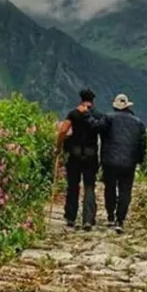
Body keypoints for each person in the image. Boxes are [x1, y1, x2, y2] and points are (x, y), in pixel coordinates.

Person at [56, 88, 103, 230]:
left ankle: (71, 217)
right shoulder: (96, 115)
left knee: (73, 185)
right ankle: (88, 219)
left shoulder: (73, 113)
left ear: (81, 99)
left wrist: (59, 146)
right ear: (93, 101)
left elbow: (63, 130)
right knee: (89, 185)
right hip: (91, 154)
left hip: (75, 154)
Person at [99, 93, 147, 234]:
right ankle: (120, 219)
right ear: (127, 106)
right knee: (125, 190)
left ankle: (110, 216)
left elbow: (99, 130)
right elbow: (142, 143)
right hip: (129, 163)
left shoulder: (108, 118)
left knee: (110, 188)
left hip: (109, 161)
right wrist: (139, 159)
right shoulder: (138, 122)